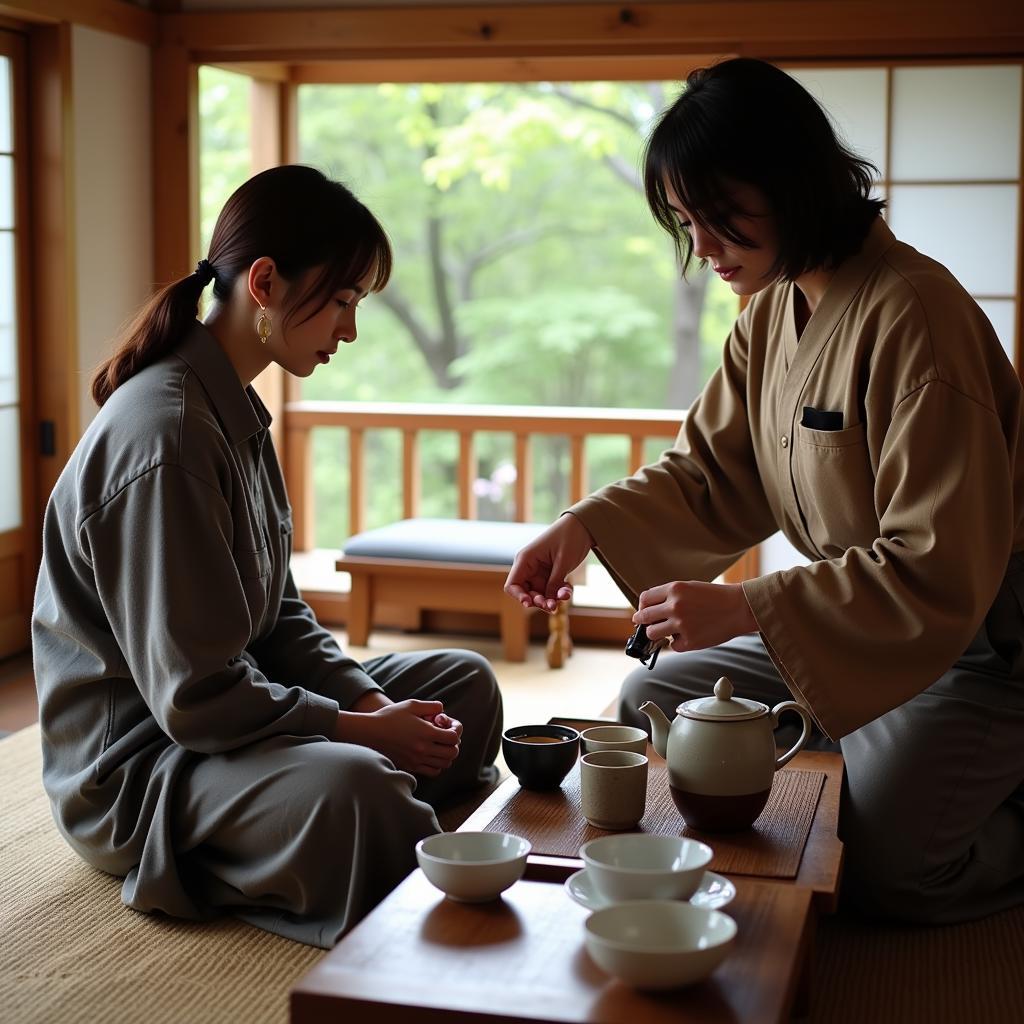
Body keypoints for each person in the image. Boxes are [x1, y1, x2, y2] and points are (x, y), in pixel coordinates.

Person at [506, 57, 1024, 925]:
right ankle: (871, 746)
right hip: (848, 624)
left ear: (794, 187)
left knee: (884, 865)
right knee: (647, 701)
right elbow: (711, 475)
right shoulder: (769, 311)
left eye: (721, 219)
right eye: (685, 222)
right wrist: (584, 526)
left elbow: (937, 566)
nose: (701, 249)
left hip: (974, 643)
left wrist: (747, 607)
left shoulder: (917, 319)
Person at [32, 165, 502, 948]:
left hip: (239, 718)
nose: (348, 331)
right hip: (148, 766)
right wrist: (356, 734)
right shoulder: (167, 435)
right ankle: (378, 835)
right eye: (343, 301)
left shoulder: (234, 407)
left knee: (466, 687)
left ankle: (366, 810)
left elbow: (280, 616)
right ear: (265, 283)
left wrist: (371, 708)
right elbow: (197, 698)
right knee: (359, 790)